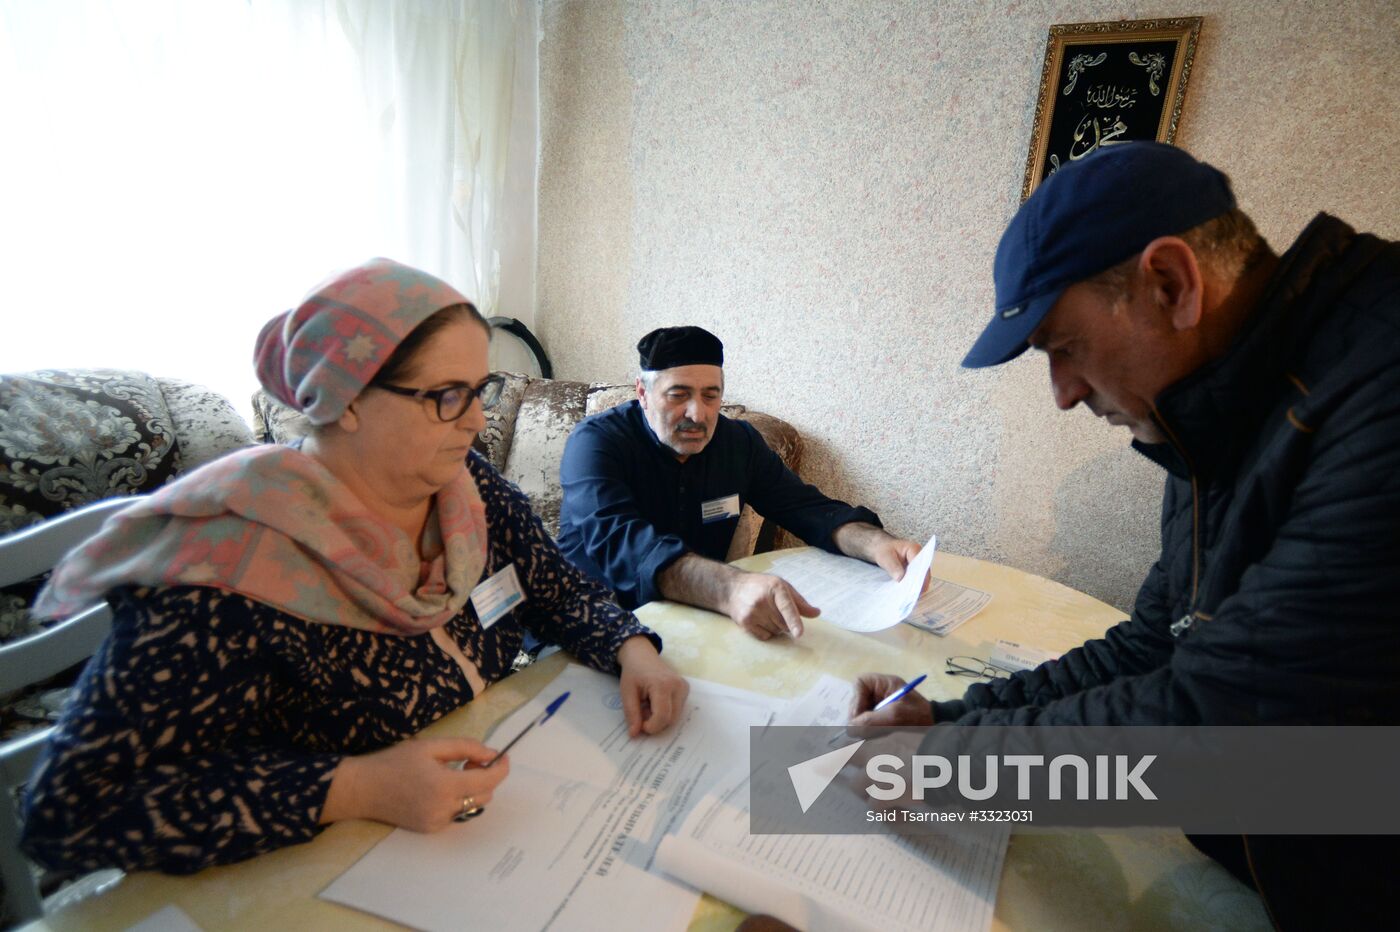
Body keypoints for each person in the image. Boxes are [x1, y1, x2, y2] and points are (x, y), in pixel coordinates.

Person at [851, 143, 1398, 925]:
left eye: (1063, 349)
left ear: (1170, 283)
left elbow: (1218, 729)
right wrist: (949, 719)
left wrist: (943, 771)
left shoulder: (1377, 389)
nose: (1064, 395)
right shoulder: (1221, 405)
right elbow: (1154, 644)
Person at [20, 259, 689, 875]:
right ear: (346, 400)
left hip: (483, 826)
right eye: (447, 396)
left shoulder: (466, 490)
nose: (478, 419)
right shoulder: (228, 569)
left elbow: (556, 587)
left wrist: (631, 648)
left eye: (479, 388)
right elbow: (69, 813)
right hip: (309, 870)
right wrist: (353, 787)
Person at [557, 325, 924, 640]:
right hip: (592, 623)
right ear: (642, 393)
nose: (697, 414)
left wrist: (874, 543)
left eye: (710, 396)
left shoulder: (739, 443)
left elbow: (805, 507)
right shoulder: (594, 443)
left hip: (696, 616)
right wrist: (731, 587)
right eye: (678, 395)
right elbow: (620, 542)